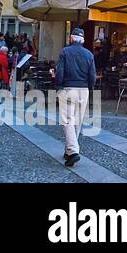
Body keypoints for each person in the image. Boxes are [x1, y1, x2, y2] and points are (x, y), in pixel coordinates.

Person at [55, 27, 96, 168]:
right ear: (82, 40)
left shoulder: (65, 52)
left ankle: (73, 151)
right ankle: (69, 151)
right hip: (84, 90)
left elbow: (60, 71)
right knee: (77, 121)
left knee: (67, 121)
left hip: (68, 88)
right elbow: (92, 76)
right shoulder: (89, 54)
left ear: (71, 38)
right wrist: (89, 87)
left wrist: (58, 86)